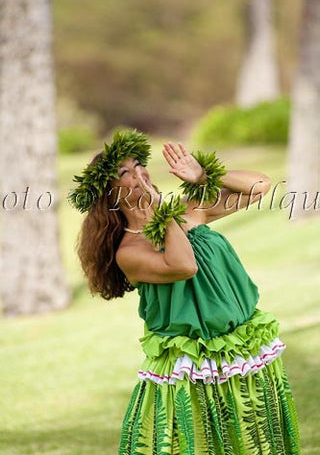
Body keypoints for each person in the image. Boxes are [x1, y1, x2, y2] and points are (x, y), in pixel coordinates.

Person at [68, 129, 301, 455]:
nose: (139, 174)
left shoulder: (190, 210)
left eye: (139, 165)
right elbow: (183, 265)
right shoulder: (130, 251)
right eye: (125, 172)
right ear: (110, 193)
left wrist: (204, 175)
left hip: (239, 350)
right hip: (190, 367)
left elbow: (260, 186)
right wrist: (159, 212)